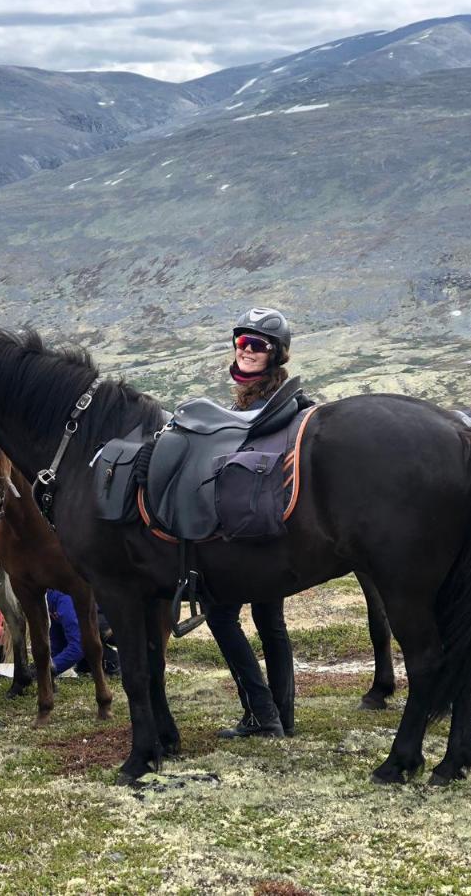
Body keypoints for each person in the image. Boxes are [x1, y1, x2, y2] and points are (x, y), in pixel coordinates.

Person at [204, 307, 300, 738]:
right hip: (267, 529)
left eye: (256, 345)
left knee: (222, 616)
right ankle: (281, 714)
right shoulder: (257, 403)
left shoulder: (269, 408)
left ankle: (262, 713)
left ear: (275, 354)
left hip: (251, 529)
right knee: (269, 621)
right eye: (241, 342)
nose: (245, 351)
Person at [46, 589, 85, 676]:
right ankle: (44, 671)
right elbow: (79, 647)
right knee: (80, 645)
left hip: (52, 594)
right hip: (65, 596)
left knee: (57, 645)